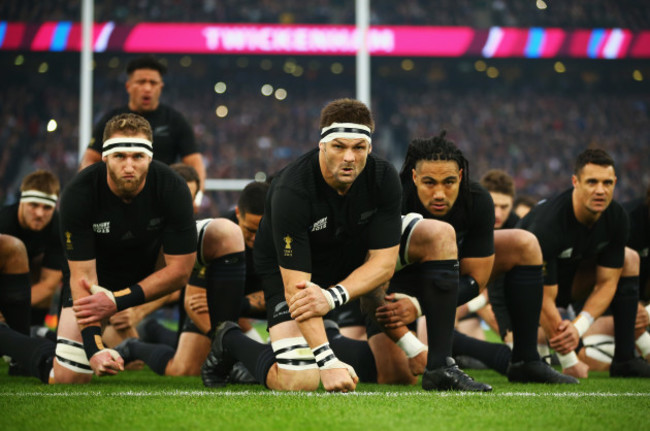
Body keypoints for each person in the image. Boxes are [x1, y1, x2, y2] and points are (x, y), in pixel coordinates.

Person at [200, 98, 403, 393]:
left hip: (338, 259)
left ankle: (321, 335)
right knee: (300, 381)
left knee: (394, 374)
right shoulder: (291, 190)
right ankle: (228, 338)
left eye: (359, 147)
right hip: (288, 270)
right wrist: (327, 361)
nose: (349, 157)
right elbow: (298, 289)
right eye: (339, 146)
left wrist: (331, 298)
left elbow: (383, 264)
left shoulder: (384, 178)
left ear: (370, 148)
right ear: (322, 145)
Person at [377, 132, 575, 384]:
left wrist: (418, 306)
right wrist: (410, 344)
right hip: (394, 287)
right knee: (397, 375)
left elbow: (477, 280)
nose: (439, 193)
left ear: (460, 176)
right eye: (429, 183)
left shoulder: (478, 199)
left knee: (525, 243)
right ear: (414, 177)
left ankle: (526, 360)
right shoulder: (393, 198)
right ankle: (342, 342)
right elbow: (373, 280)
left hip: (443, 280)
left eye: (448, 182)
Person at [51, 112, 197, 383]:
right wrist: (94, 349)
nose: (129, 165)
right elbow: (83, 279)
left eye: (137, 156)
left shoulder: (173, 187)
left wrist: (118, 301)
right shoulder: (78, 194)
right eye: (119, 156)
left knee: (222, 234)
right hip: (94, 280)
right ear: (105, 156)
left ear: (150, 157)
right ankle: (41, 348)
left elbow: (180, 271)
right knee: (68, 377)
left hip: (145, 277)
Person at [518, 148, 650, 378]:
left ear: (615, 183)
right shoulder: (549, 224)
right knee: (523, 347)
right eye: (592, 182)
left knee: (629, 258)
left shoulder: (617, 218)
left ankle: (625, 358)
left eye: (607, 183)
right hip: (521, 293)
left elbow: (607, 283)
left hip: (570, 284)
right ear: (575, 182)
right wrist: (570, 361)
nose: (600, 190)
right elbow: (541, 296)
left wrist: (578, 327)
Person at [115, 168, 258, 379]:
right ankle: (136, 344)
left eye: (194, 196)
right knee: (184, 367)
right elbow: (187, 294)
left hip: (217, 309)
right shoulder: (219, 233)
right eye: (184, 196)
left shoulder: (205, 230)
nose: (192, 204)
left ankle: (152, 331)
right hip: (198, 311)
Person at [79, 55, 206, 211]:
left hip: (162, 204)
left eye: (153, 83)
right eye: (141, 82)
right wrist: (90, 194)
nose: (147, 88)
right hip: (118, 201)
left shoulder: (175, 120)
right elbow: (90, 160)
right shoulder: (111, 120)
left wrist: (196, 198)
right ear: (128, 86)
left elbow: (195, 163)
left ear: (161, 86)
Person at [0, 170, 63, 329]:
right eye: (33, 205)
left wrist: (10, 310)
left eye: (47, 207)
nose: (40, 213)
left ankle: (30, 330)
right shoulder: (3, 222)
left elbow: (48, 284)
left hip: (29, 275)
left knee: (44, 286)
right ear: (22, 202)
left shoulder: (59, 227)